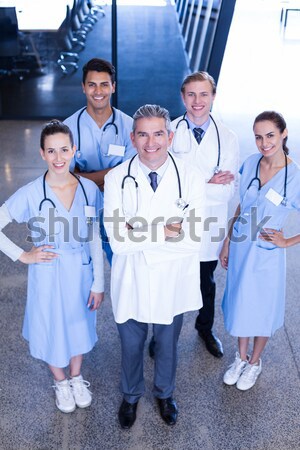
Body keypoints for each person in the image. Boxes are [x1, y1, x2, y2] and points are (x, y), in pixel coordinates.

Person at [104, 104, 205, 428]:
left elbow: (193, 239)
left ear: (170, 136)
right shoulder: (117, 178)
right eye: (143, 134)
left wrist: (139, 236)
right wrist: (163, 232)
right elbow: (117, 241)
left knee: (167, 344)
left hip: (172, 281)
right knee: (131, 345)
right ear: (133, 138)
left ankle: (164, 393)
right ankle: (131, 396)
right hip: (130, 279)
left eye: (158, 133)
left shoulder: (190, 177)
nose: (151, 142)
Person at [0, 121, 104, 412]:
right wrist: (23, 256)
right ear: (41, 154)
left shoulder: (88, 189)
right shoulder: (32, 193)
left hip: (81, 271)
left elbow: (94, 236)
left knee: (79, 323)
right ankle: (60, 381)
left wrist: (99, 283)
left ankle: (76, 376)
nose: (59, 158)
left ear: (74, 151)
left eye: (64, 150)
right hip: (47, 271)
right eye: (51, 151)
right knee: (50, 325)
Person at [148, 71, 239, 359]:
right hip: (174, 225)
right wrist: (208, 183)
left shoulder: (228, 137)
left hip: (209, 225)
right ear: (182, 97)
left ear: (213, 96)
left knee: (206, 283)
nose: (197, 101)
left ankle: (205, 328)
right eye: (191, 94)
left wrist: (191, 185)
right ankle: (161, 334)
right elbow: (165, 186)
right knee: (167, 283)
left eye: (204, 94)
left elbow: (226, 192)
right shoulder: (168, 132)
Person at [220, 111, 300, 390]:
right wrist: (229, 240)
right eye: (258, 137)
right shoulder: (251, 163)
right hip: (242, 246)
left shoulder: (294, 177)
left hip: (266, 253)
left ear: (283, 134)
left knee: (262, 308)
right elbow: (242, 204)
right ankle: (240, 358)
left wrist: (287, 241)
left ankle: (254, 362)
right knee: (241, 303)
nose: (264, 143)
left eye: (270, 135)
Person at [64, 58, 136, 264]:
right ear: (83, 88)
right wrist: (112, 172)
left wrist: (82, 176)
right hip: (81, 208)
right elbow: (64, 178)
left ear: (113, 87)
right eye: (92, 84)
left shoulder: (128, 125)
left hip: (118, 209)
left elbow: (128, 175)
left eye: (104, 84)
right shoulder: (69, 128)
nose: (98, 91)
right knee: (83, 269)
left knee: (121, 265)